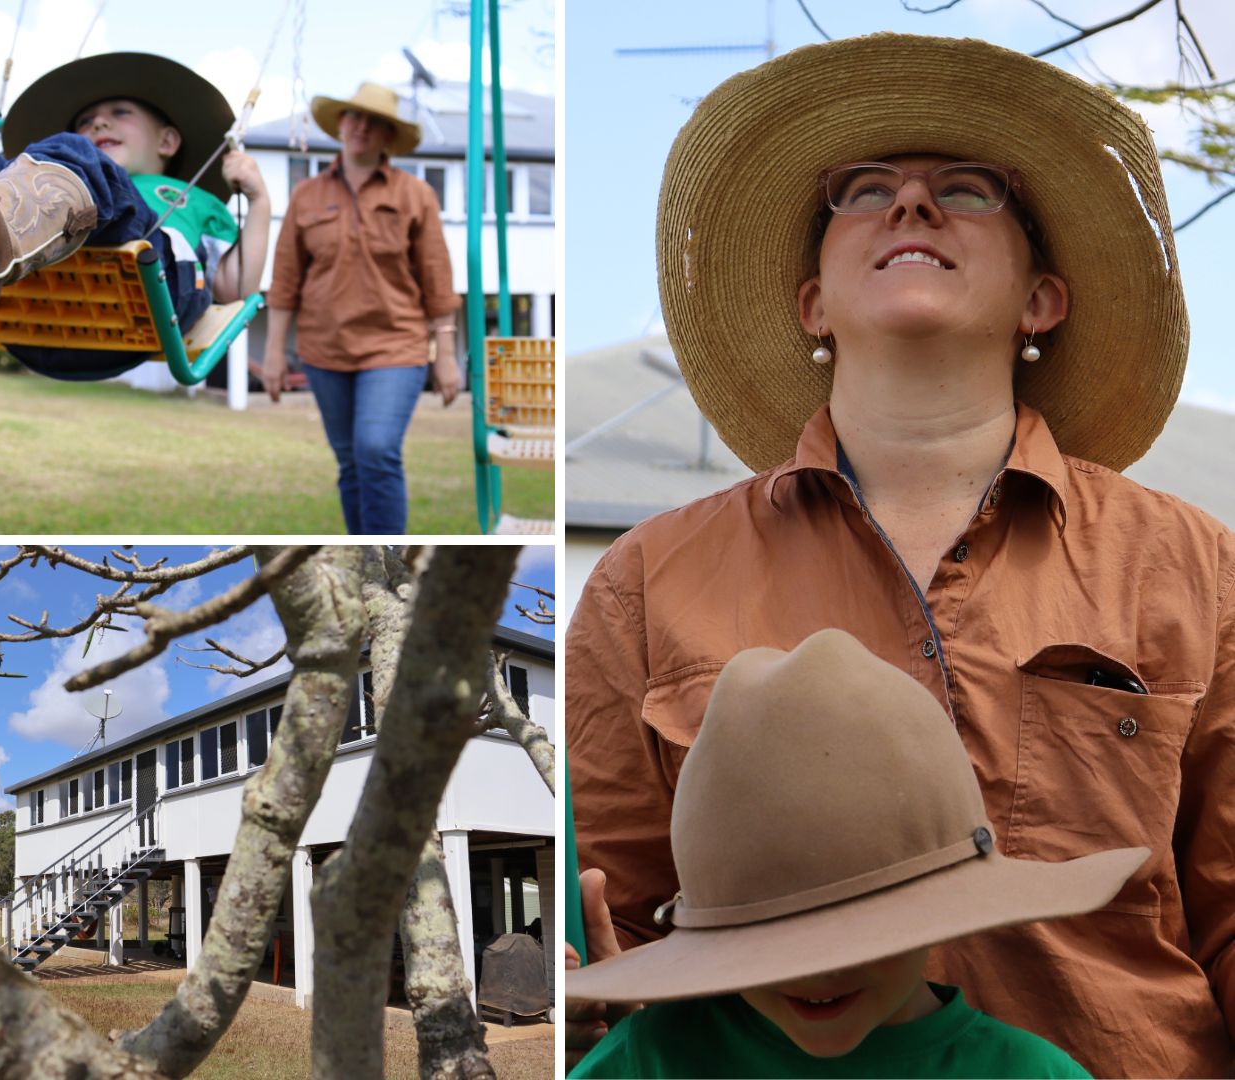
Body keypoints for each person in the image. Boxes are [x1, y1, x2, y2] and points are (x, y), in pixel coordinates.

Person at [566, 33, 1235, 1079]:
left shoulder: (1196, 567)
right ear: (813, 307)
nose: (911, 205)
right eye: (862, 190)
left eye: (967, 190)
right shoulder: (646, 580)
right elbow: (626, 907)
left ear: (1040, 302)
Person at [569, 632, 1146, 1078]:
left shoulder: (1029, 1074)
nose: (820, 972)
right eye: (772, 945)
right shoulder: (652, 1060)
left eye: (862, 934)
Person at [0, 52, 270, 380]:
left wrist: (260, 200)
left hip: (155, 290)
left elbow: (235, 290)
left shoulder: (196, 199)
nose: (98, 124)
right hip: (33, 311)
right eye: (86, 120)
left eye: (119, 113)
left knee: (78, 159)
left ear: (167, 141)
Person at [262, 82, 461, 535]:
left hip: (396, 345)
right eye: (354, 117)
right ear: (340, 125)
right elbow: (286, 278)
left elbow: (437, 278)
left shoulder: (416, 195)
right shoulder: (307, 195)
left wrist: (445, 355)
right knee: (351, 462)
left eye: (375, 122)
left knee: (375, 448)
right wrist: (274, 352)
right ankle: (366, 560)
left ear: (389, 136)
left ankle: (391, 562)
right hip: (324, 350)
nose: (362, 128)